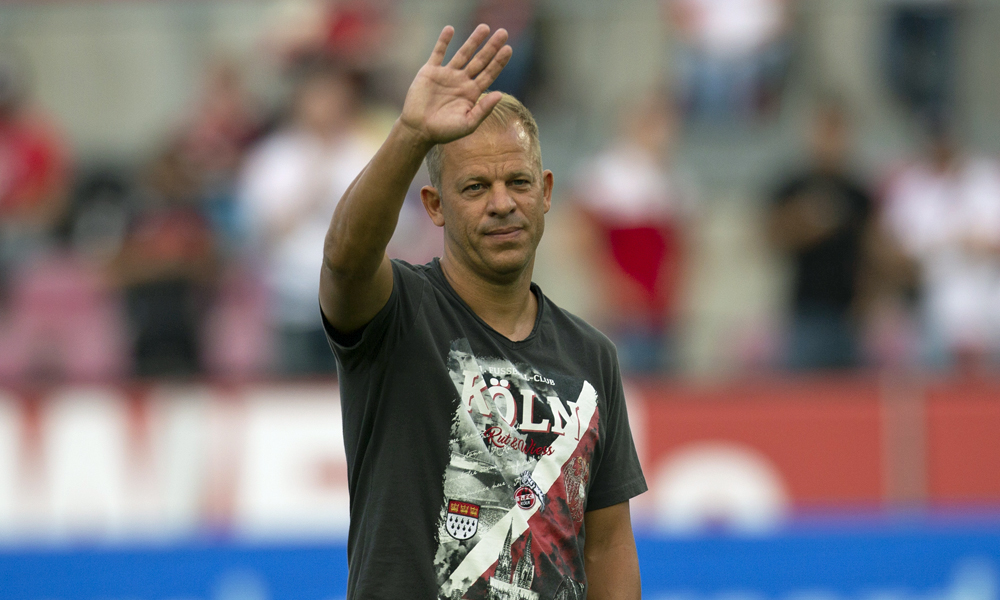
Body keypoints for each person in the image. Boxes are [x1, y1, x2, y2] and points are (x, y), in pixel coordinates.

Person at [320, 25, 646, 600]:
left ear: (545, 192)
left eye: (517, 181)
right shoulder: (396, 315)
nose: (502, 203)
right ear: (434, 205)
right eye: (474, 187)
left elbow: (608, 545)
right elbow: (345, 262)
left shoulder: (593, 355)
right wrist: (411, 134)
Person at [239, 58, 376, 376]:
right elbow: (261, 231)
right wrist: (312, 186)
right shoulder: (273, 158)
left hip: (356, 300)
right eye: (318, 95)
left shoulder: (366, 152)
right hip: (293, 299)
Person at [572, 91, 697, 374]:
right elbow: (582, 235)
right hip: (624, 302)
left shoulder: (674, 176)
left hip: (660, 305)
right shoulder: (607, 173)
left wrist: (677, 290)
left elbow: (684, 243)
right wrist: (610, 285)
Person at [767, 99, 876, 370]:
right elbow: (772, 236)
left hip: (849, 316)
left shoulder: (858, 192)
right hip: (806, 311)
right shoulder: (792, 186)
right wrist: (811, 222)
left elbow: (870, 251)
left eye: (837, 131)